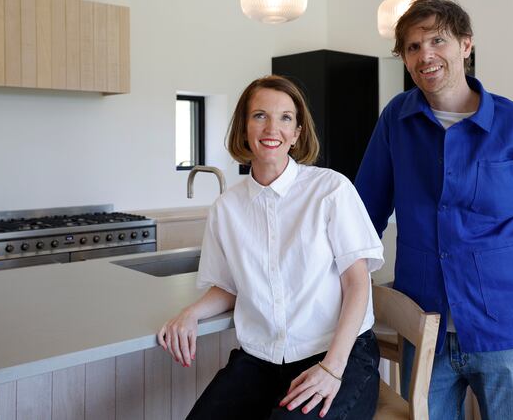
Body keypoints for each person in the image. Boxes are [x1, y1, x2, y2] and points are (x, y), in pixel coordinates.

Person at [355, 0, 513, 419]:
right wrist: (343, 278)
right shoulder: (395, 120)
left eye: (437, 40)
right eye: (412, 46)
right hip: (425, 324)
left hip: (509, 326)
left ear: (466, 45)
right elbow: (365, 210)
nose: (425, 55)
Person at [159, 75, 384, 420]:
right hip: (261, 360)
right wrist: (191, 313)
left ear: (296, 134)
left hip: (338, 354)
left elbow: (357, 284)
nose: (271, 128)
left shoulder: (330, 190)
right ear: (244, 128)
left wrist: (332, 368)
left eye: (285, 118)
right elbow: (229, 287)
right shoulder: (226, 207)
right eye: (260, 115)